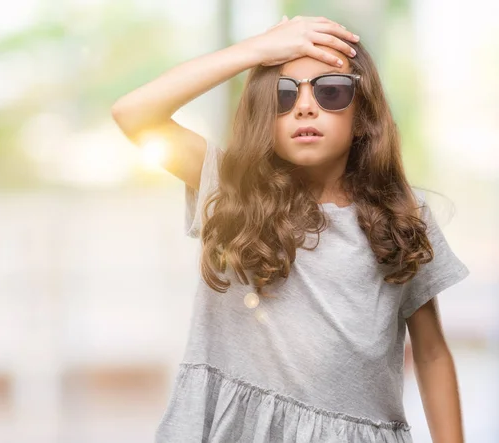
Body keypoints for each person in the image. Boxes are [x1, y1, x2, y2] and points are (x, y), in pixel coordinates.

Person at [111, 14, 469, 443]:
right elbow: (133, 113)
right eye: (283, 95)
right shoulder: (233, 189)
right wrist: (256, 50)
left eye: (331, 91)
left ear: (363, 116)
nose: (304, 105)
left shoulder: (402, 215)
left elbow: (431, 354)